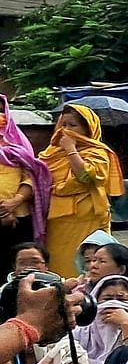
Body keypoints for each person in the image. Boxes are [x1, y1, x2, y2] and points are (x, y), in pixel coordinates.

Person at [40, 104, 120, 278]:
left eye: (73, 125)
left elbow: (85, 177)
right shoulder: (51, 152)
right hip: (56, 220)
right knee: (58, 264)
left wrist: (71, 149)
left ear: (88, 129)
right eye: (64, 125)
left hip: (86, 218)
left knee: (85, 264)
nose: (66, 130)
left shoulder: (98, 152)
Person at [0, 96, 51, 254]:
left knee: (20, 261)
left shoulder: (18, 144)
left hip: (20, 215)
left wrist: (15, 202)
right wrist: (4, 212)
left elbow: (31, 178)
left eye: (1, 111)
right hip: (4, 213)